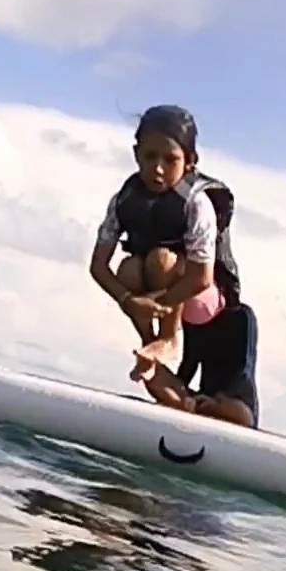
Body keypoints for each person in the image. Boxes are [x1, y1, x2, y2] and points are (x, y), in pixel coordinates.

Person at [88, 103, 259, 429]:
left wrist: (157, 304)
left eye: (171, 160)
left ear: (190, 161)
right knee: (127, 270)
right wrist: (129, 301)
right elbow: (98, 266)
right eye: (150, 157)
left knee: (159, 259)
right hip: (162, 302)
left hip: (205, 303)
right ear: (136, 154)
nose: (158, 169)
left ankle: (167, 339)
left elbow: (201, 277)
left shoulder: (196, 203)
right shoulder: (123, 200)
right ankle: (157, 356)